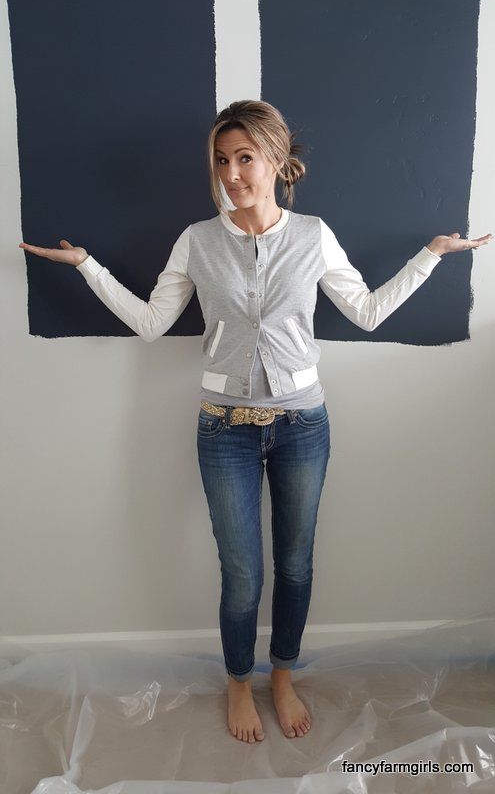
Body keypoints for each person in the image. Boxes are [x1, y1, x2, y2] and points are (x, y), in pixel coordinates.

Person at [19, 100, 493, 745]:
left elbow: (367, 313)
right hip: (224, 430)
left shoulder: (314, 235)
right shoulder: (197, 240)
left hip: (303, 425)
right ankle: (239, 681)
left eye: (246, 158)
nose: (233, 174)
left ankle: (283, 674)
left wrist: (432, 256)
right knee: (242, 572)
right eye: (221, 160)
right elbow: (153, 324)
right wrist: (88, 267)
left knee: (296, 565)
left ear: (277, 161)